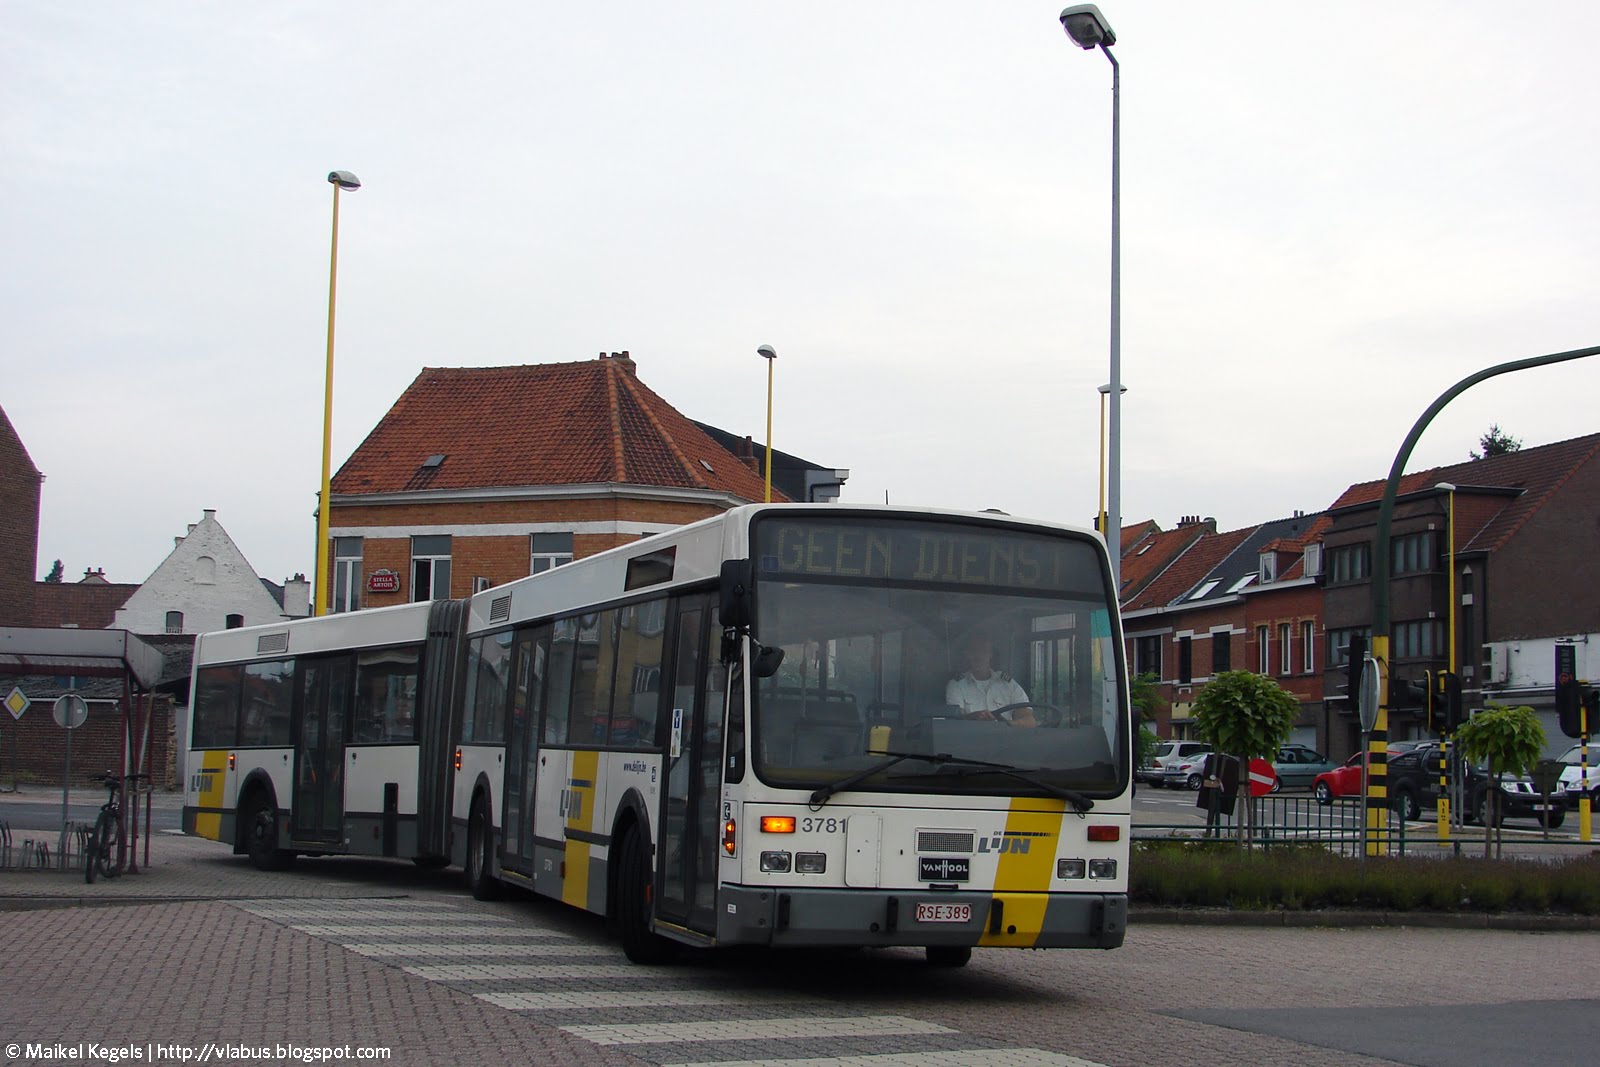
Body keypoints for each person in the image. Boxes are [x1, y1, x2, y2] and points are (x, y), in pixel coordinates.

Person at [946, 633, 1036, 727]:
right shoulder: (956, 685)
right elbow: (955, 722)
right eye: (974, 651)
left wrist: (1005, 725)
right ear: (967, 654)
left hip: (1006, 735)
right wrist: (974, 718)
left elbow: (1029, 720)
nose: (979, 655)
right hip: (971, 735)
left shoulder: (1008, 684)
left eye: (983, 650)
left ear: (991, 654)